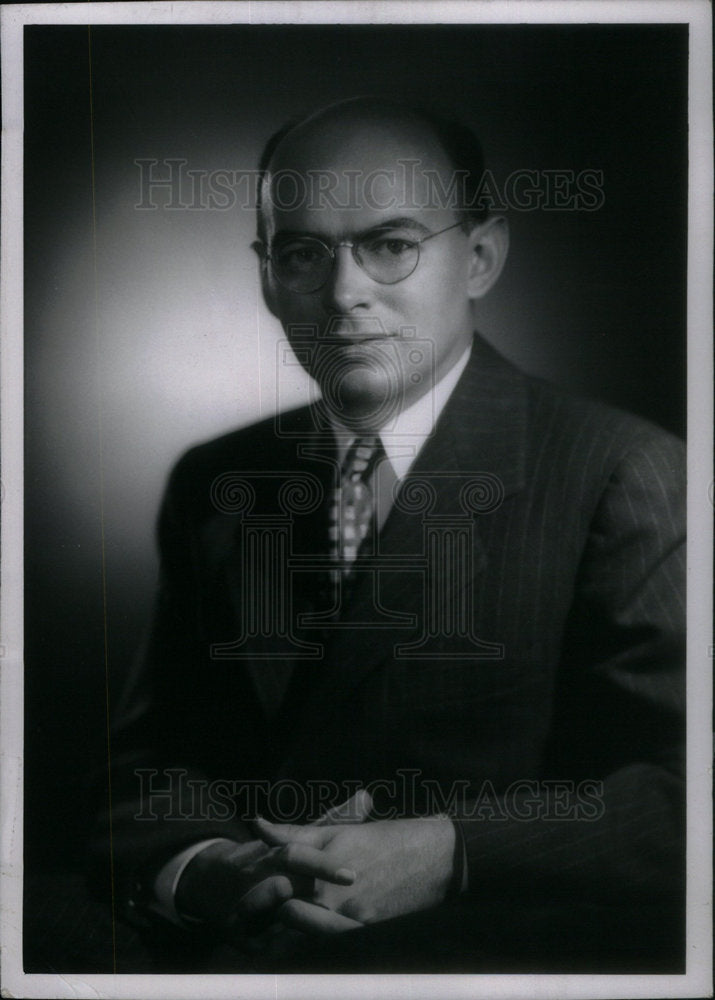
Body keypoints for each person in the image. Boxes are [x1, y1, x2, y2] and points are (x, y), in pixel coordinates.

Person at [93, 97, 685, 971]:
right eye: (301, 253)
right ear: (264, 274)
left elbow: (688, 792)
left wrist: (452, 850)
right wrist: (204, 868)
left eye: (392, 245)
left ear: (480, 256)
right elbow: (146, 769)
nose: (342, 294)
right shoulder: (217, 482)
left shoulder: (622, 472)